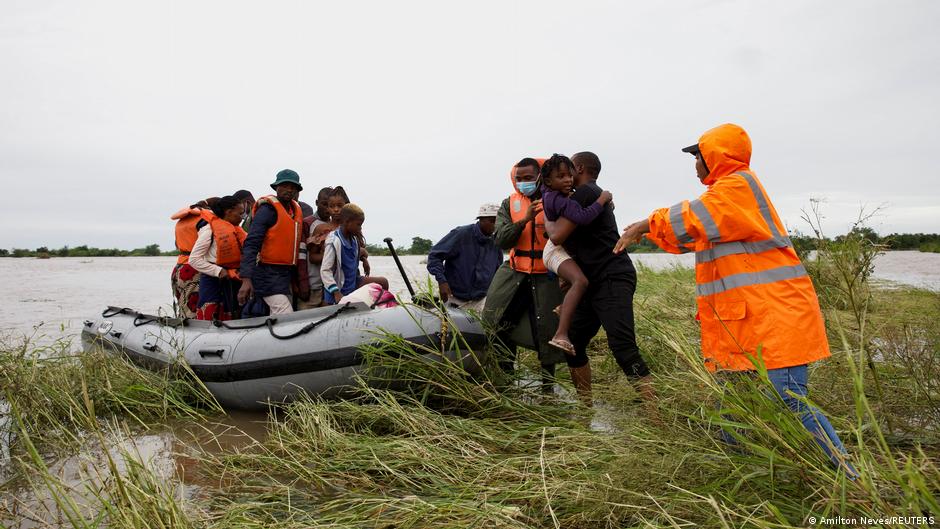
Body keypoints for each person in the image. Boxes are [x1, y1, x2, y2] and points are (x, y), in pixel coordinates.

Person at [613, 123, 855, 473]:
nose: (695, 165)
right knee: (734, 401)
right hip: (749, 321)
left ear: (714, 157)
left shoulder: (737, 188)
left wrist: (645, 224)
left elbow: (691, 218)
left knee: (789, 400)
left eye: (697, 157)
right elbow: (687, 236)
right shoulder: (724, 201)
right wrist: (651, 232)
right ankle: (739, 467)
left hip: (777, 318)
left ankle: (848, 476)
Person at [548, 151, 652, 403]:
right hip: (594, 280)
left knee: (623, 348)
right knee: (573, 341)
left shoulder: (586, 193)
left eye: (568, 170)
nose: (566, 176)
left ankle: (655, 415)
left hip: (611, 277)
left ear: (579, 168)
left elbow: (556, 235)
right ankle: (586, 408)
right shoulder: (590, 195)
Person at [482, 157, 567, 392]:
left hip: (547, 275)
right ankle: (505, 381)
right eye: (518, 179)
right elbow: (501, 239)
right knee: (498, 324)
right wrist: (525, 219)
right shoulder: (508, 204)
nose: (523, 183)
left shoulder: (559, 199)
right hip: (514, 274)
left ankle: (548, 388)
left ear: (540, 177)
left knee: (547, 330)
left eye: (528, 178)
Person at [538, 154, 613, 354]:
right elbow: (583, 217)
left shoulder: (550, 192)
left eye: (569, 175)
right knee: (580, 281)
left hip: (562, 250)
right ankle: (561, 334)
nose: (568, 180)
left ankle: (564, 308)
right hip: (555, 251)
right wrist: (602, 199)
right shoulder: (561, 201)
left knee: (576, 282)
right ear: (548, 181)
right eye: (561, 176)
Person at [237, 169, 304, 315]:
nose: (289, 190)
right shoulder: (267, 210)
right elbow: (251, 244)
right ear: (276, 188)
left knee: (279, 315)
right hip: (266, 273)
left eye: (293, 187)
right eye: (284, 186)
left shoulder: (295, 211)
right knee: (285, 313)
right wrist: (246, 279)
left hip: (285, 275)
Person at [426, 203, 503, 312]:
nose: (495, 225)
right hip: (454, 298)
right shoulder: (461, 234)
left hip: (481, 300)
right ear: (481, 219)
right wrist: (442, 281)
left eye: (498, 222)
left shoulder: (496, 242)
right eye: (492, 221)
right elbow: (435, 256)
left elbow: (498, 270)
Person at [189, 196, 247, 320]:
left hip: (234, 278)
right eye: (240, 213)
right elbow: (194, 259)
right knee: (212, 314)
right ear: (229, 212)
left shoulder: (237, 230)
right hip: (213, 280)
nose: (242, 217)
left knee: (235, 313)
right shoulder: (209, 230)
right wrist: (218, 271)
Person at [321, 203, 389, 303]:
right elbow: (325, 270)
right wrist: (336, 292)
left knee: (383, 282)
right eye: (358, 225)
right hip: (339, 288)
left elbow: (355, 254)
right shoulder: (334, 241)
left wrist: (364, 260)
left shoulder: (354, 240)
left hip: (353, 282)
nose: (360, 228)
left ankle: (382, 308)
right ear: (347, 222)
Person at [170, 200, 211, 318]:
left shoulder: (181, 222)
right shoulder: (204, 220)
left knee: (184, 307)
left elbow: (177, 245)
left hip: (179, 268)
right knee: (193, 310)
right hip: (194, 270)